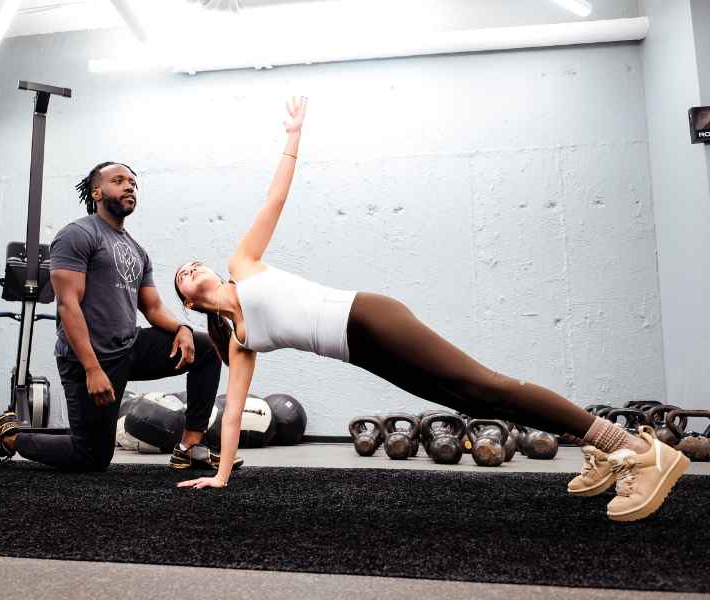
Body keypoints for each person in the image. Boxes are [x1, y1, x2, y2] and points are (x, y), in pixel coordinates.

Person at [173, 97, 688, 522]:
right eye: (184, 274)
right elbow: (234, 406)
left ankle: (634, 449)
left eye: (196, 262)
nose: (194, 267)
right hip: (362, 353)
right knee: (473, 402)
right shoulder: (236, 341)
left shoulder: (244, 262)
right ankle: (599, 446)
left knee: (488, 384)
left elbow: (274, 200)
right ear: (190, 300)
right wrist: (220, 473)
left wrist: (292, 136)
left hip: (369, 318)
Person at [0, 162, 241, 472]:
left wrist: (181, 326)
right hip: (88, 358)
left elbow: (152, 308)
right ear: (97, 192)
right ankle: (8, 438)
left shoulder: (137, 250)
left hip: (129, 346)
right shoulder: (77, 235)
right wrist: (92, 368)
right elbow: (68, 305)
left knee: (205, 348)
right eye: (119, 181)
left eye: (133, 182)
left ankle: (190, 446)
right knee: (91, 457)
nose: (129, 186)